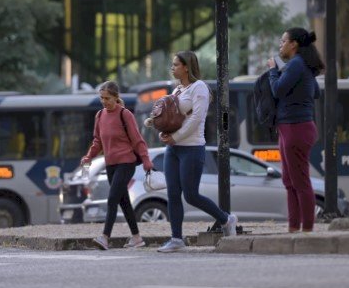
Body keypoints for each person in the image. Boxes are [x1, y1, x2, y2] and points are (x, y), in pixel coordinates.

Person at [157, 51, 238, 253]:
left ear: (186, 67)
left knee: (191, 195)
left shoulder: (199, 88)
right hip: (173, 149)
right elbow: (171, 116)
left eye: (176, 64)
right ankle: (176, 238)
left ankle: (226, 219)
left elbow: (196, 120)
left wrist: (175, 137)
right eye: (172, 64)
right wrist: (162, 130)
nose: (173, 68)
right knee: (173, 194)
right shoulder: (177, 90)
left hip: (192, 148)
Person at [81, 81, 153, 250]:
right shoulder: (99, 115)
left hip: (126, 162)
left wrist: (146, 160)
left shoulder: (125, 114)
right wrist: (89, 156)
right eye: (102, 98)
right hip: (111, 164)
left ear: (115, 97)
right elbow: (98, 141)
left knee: (112, 198)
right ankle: (137, 238)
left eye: (107, 98)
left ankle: (105, 237)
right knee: (123, 201)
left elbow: (137, 140)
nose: (104, 101)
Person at [266, 27, 325, 233]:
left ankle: (307, 230)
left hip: (296, 128)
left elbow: (278, 90)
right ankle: (293, 228)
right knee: (289, 180)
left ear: (294, 44)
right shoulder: (302, 66)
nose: (280, 45)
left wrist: (274, 70)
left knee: (300, 182)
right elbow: (315, 92)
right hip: (291, 127)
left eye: (283, 41)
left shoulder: (297, 64)